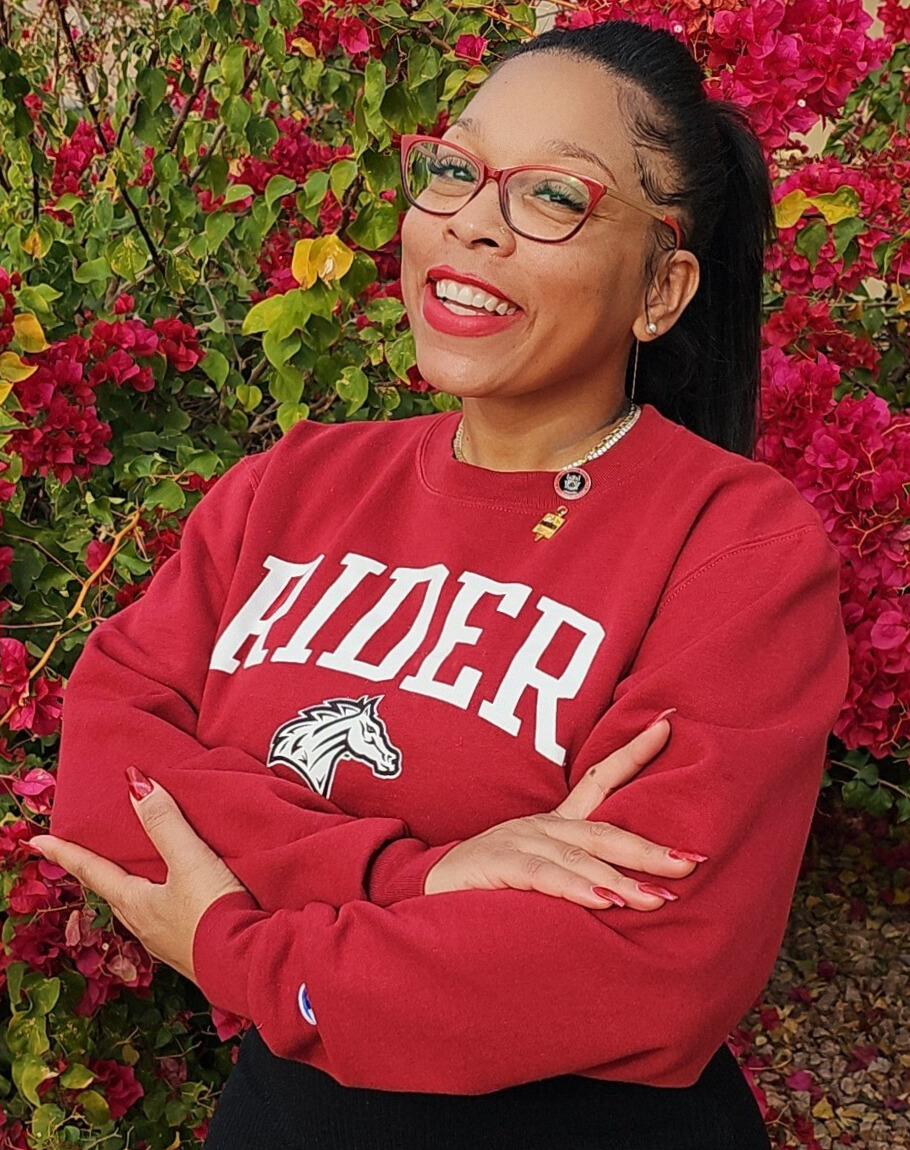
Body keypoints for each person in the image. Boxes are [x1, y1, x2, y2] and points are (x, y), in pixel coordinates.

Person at [38, 17, 850, 1150]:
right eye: (458, 170)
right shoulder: (295, 485)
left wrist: (229, 939)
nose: (473, 222)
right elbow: (105, 776)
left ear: (659, 288)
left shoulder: (731, 543)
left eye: (552, 197)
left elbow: (640, 959)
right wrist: (422, 876)